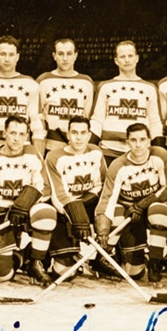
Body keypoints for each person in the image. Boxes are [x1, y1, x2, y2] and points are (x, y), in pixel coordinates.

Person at [0, 115, 56, 284]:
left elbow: (45, 188)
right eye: (12, 133)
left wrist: (23, 204)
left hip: (24, 211)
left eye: (22, 134)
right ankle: (18, 257)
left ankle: (35, 261)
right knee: (1, 276)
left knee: (47, 214)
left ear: (27, 136)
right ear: (4, 133)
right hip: (0, 214)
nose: (17, 138)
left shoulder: (33, 154)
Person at [95, 123, 167, 282]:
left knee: (159, 212)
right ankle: (105, 255)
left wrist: (142, 204)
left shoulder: (160, 155)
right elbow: (108, 199)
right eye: (133, 140)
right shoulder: (118, 165)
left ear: (149, 141)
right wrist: (103, 230)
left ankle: (155, 263)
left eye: (142, 139)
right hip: (130, 214)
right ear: (127, 143)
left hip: (150, 208)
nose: (138, 144)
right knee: (134, 273)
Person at [45, 115, 107, 279]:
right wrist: (76, 214)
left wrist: (84, 204)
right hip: (64, 210)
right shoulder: (54, 156)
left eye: (83, 133)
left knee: (114, 210)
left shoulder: (96, 152)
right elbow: (59, 196)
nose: (78, 137)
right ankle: (40, 254)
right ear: (68, 135)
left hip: (88, 201)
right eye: (74, 132)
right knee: (65, 274)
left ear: (89, 135)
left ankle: (105, 256)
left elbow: (101, 185)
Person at [89, 40, 165, 165]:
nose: (127, 60)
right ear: (116, 60)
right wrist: (90, 149)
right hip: (109, 150)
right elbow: (96, 120)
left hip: (141, 152)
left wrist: (158, 152)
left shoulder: (150, 88)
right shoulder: (105, 86)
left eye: (130, 56)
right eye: (122, 56)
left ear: (137, 58)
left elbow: (155, 122)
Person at [37, 38, 96, 154]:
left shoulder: (87, 82)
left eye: (69, 54)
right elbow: (38, 118)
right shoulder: (43, 80)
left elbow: (88, 116)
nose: (65, 58)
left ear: (75, 55)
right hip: (51, 147)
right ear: (54, 56)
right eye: (60, 54)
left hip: (78, 147)